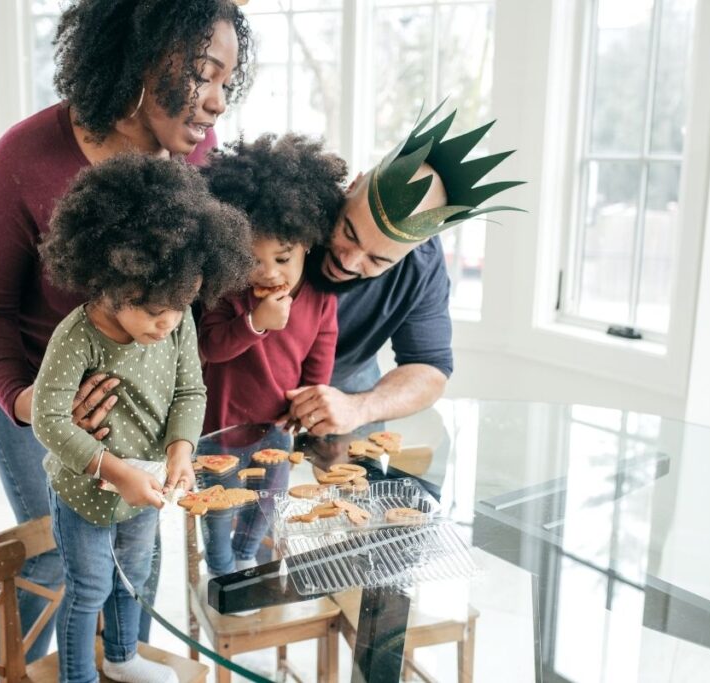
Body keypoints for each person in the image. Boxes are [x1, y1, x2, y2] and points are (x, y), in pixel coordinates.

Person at [0, 0, 252, 658]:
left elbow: (188, 314)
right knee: (56, 556)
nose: (217, 104)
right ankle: (40, 672)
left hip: (134, 384)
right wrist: (32, 403)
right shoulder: (23, 162)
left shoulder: (196, 159)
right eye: (204, 73)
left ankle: (120, 665)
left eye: (228, 83)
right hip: (30, 381)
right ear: (139, 54)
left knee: (135, 550)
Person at [33, 155, 253, 683]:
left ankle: (123, 657)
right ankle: (77, 676)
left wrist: (181, 450)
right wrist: (115, 473)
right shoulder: (76, 336)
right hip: (86, 491)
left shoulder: (176, 323)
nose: (169, 321)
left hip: (147, 484)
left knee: (132, 576)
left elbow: (190, 389)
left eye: (182, 304)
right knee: (88, 589)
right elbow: (48, 421)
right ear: (111, 280)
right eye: (154, 307)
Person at [285, 101, 523, 436]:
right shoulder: (287, 209)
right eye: (349, 232)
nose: (348, 262)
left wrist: (358, 407)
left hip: (345, 386)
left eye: (377, 260)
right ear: (353, 185)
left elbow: (430, 368)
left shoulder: (422, 265)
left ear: (413, 250)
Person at [196, 133, 346, 577]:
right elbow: (209, 347)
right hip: (218, 426)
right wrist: (255, 323)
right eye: (251, 258)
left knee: (268, 500)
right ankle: (222, 572)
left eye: (282, 258)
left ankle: (246, 558)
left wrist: (308, 405)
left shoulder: (320, 299)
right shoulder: (228, 291)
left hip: (277, 427)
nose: (267, 272)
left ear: (307, 245)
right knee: (218, 508)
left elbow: (319, 363)